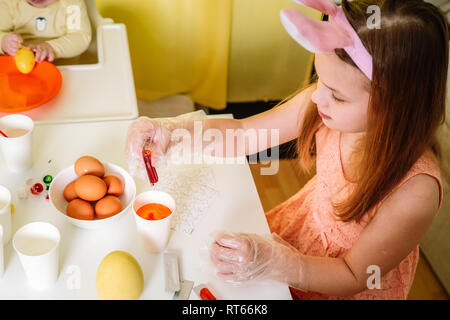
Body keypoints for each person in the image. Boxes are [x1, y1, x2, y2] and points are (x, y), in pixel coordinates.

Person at [125, 0, 449, 299]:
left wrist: (281, 264)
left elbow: (353, 274)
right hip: (295, 241)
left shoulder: (415, 192)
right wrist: (175, 133)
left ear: (396, 105)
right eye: (319, 79)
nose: (318, 97)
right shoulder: (327, 101)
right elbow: (242, 134)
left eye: (337, 95)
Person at [0, 0, 91, 62]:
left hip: (64, 69)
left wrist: (53, 48)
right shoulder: (8, 3)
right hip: (19, 69)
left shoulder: (71, 3)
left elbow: (81, 36)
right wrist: (3, 42)